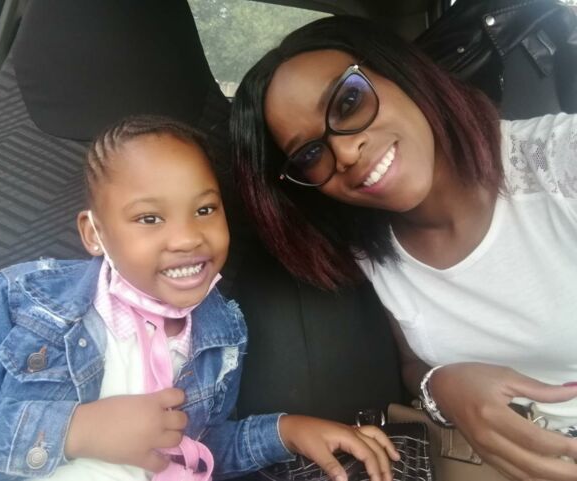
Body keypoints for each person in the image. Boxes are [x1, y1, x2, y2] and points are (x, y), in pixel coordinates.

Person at [0, 115, 400, 481]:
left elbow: (196, 447)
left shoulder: (220, 332)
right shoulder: (23, 302)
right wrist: (74, 430)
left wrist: (287, 431)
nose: (187, 238)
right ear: (93, 233)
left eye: (205, 209)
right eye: (149, 219)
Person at [230, 15, 577, 481]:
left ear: (401, 71)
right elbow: (415, 362)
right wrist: (442, 387)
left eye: (348, 102)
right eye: (310, 154)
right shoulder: (366, 246)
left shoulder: (559, 161)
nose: (345, 153)